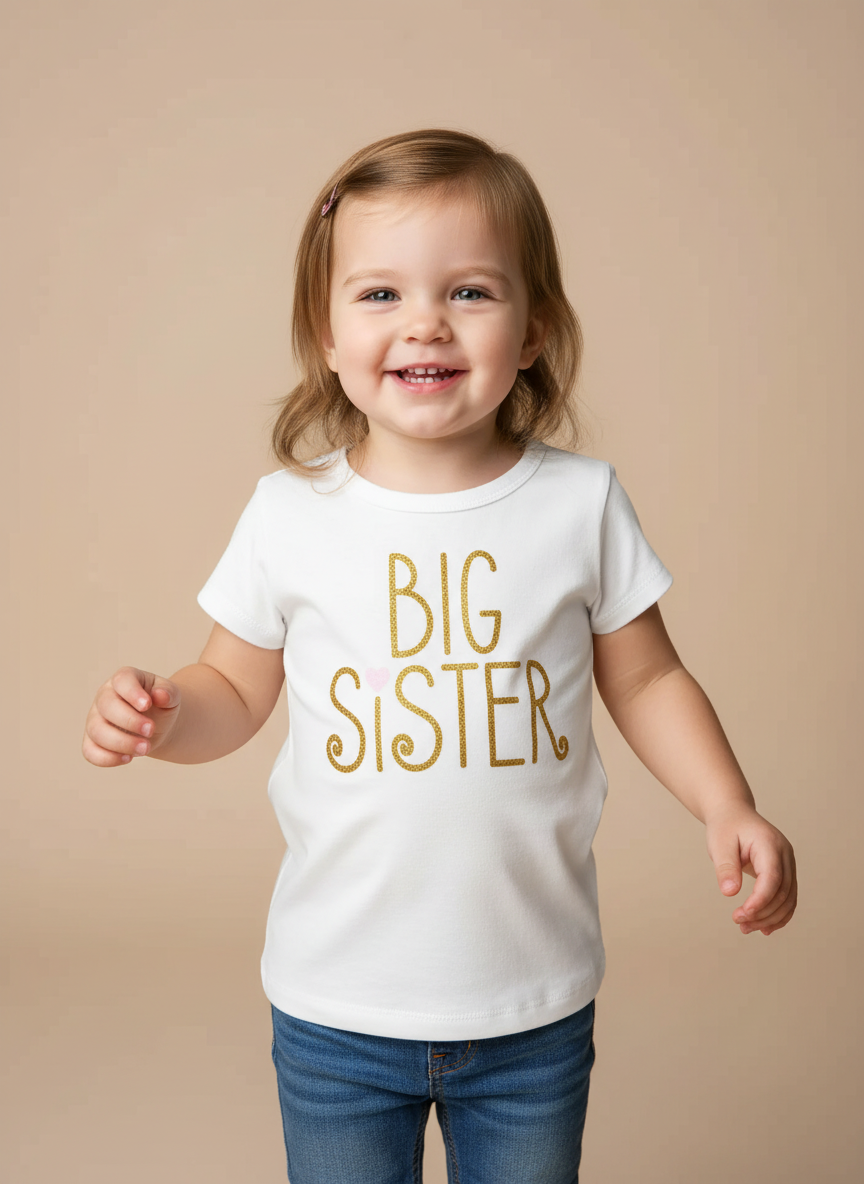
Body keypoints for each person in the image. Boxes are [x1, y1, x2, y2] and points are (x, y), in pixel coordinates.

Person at [82, 128, 798, 1184]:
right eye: (379, 295)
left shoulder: (577, 504)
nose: (425, 321)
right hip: (336, 1007)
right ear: (324, 335)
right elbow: (232, 686)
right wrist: (163, 714)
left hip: (532, 1004)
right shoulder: (291, 514)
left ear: (536, 327)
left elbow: (645, 677)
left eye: (469, 291)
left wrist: (728, 803)